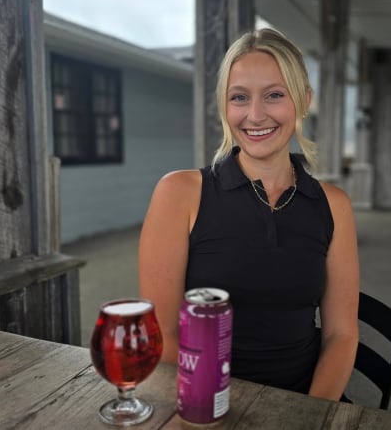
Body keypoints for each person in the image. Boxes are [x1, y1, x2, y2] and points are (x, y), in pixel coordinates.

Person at [139, 28, 359, 401]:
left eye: (274, 95)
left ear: (304, 101)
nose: (255, 116)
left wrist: (310, 415)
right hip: (202, 402)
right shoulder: (179, 193)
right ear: (225, 107)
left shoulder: (333, 204)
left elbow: (341, 335)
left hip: (303, 403)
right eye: (239, 97)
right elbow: (162, 334)